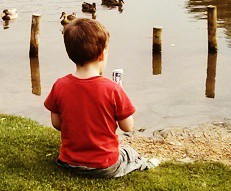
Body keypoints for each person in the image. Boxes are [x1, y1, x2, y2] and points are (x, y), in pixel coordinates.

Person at [44, 17, 159, 178]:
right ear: (101, 55)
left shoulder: (60, 85)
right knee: (128, 152)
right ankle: (145, 164)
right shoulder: (113, 89)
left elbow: (57, 124)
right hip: (104, 166)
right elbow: (127, 127)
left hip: (69, 163)